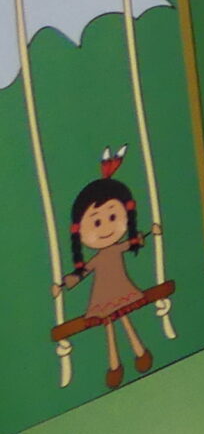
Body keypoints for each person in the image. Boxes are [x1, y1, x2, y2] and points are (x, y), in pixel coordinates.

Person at [55, 148, 162, 391]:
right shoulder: (99, 258)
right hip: (103, 296)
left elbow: (132, 243)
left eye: (113, 217)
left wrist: (149, 234)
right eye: (96, 222)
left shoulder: (114, 250)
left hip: (119, 289)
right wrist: (63, 284)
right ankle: (114, 365)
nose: (105, 228)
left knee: (123, 320)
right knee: (110, 327)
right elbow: (82, 273)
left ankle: (139, 351)